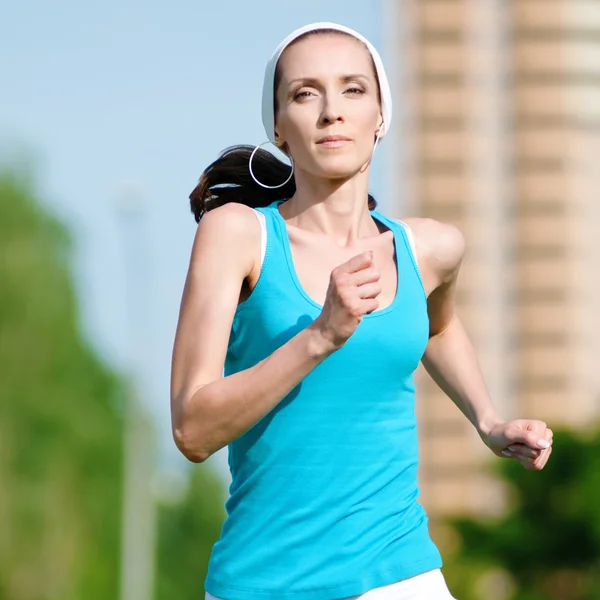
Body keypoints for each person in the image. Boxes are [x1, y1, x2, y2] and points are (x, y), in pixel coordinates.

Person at [170, 22, 554, 600]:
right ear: (278, 126)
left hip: (401, 573)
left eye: (353, 90)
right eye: (305, 93)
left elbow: (438, 326)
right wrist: (321, 335)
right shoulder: (239, 237)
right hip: (263, 581)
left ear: (381, 116)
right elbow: (192, 430)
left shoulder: (431, 250)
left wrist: (489, 422)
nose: (331, 112)